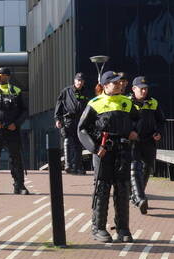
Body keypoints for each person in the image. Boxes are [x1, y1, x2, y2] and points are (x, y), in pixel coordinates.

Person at [77, 71, 140, 243]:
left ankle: (123, 229)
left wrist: (134, 132)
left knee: (122, 189)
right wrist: (95, 148)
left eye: (120, 82)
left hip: (123, 151)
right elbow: (81, 129)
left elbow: (137, 121)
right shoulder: (95, 104)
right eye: (115, 83)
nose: (119, 85)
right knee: (102, 189)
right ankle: (98, 228)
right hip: (103, 152)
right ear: (105, 86)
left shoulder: (127, 103)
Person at [0, 66, 29, 195]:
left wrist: (16, 123)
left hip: (12, 130)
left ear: (8, 76)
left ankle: (19, 186)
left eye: (1, 75)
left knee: (16, 157)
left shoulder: (16, 91)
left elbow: (24, 110)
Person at [129, 76, 166, 213]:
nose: (144, 91)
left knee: (147, 169)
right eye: (141, 89)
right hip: (133, 141)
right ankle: (140, 198)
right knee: (135, 168)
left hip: (149, 141)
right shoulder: (126, 102)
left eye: (146, 89)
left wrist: (159, 132)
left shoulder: (153, 103)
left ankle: (136, 195)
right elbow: (122, 121)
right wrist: (129, 132)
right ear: (134, 89)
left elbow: (161, 121)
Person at [54, 73, 89, 174]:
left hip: (81, 121)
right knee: (68, 141)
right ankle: (68, 165)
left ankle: (77, 166)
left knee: (79, 144)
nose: (80, 82)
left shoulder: (86, 92)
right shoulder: (66, 91)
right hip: (68, 120)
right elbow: (59, 105)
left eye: (81, 80)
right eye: (78, 80)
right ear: (74, 81)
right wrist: (57, 119)